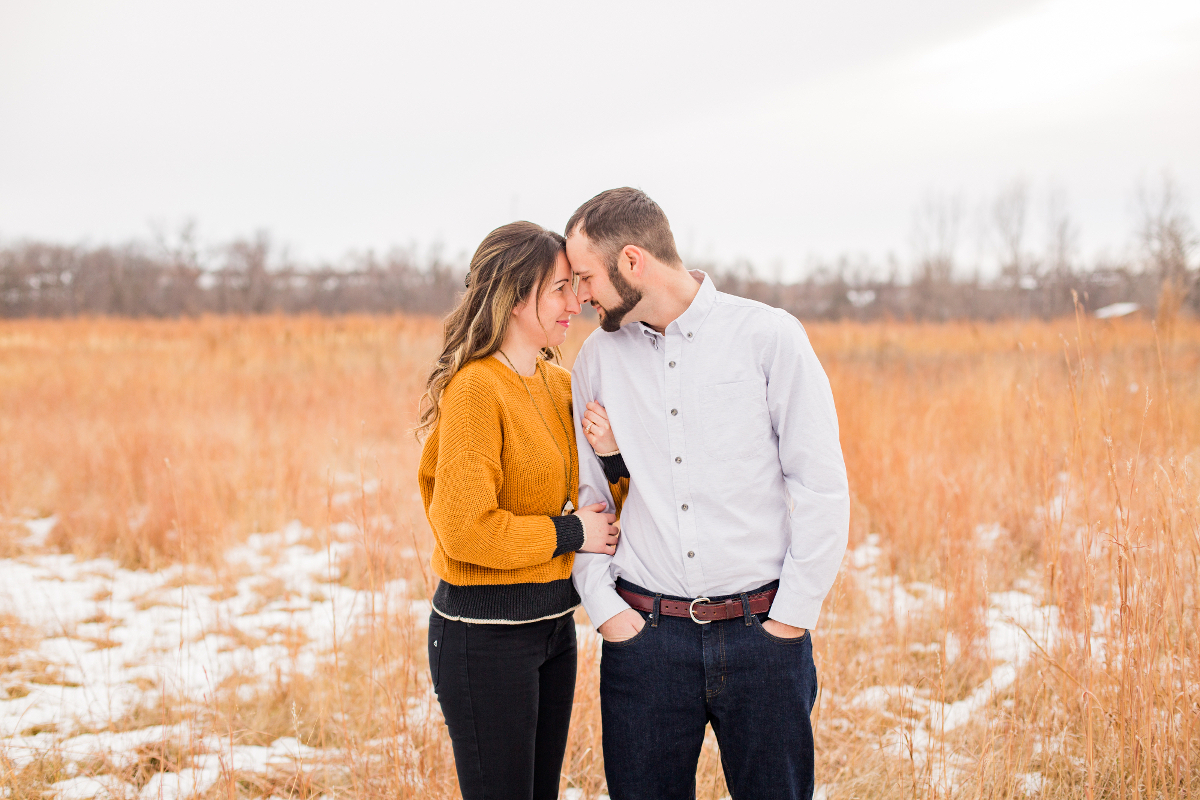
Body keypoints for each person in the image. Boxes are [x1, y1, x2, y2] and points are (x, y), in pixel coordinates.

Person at [568, 189, 850, 800]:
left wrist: (793, 616)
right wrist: (607, 611)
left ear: (633, 261)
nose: (581, 294)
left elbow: (822, 485)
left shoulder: (769, 337)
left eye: (587, 276)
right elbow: (590, 497)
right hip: (644, 641)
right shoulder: (596, 358)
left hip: (763, 638)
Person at [415, 221, 621, 800]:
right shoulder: (477, 389)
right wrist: (571, 532)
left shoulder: (560, 384)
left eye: (575, 286)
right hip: (485, 637)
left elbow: (604, 508)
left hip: (555, 629)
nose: (575, 301)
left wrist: (612, 455)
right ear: (511, 294)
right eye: (559, 287)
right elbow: (464, 529)